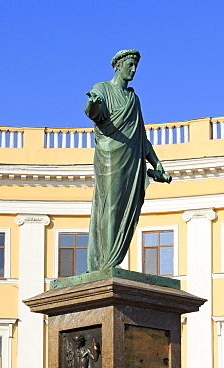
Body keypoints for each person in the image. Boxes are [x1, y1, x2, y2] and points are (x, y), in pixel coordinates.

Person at [84, 49, 171, 272]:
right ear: (118, 66)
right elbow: (95, 112)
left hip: (132, 160)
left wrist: (156, 162)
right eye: (129, 65)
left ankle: (112, 260)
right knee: (111, 206)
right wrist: (93, 105)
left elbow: (141, 136)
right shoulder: (101, 88)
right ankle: (106, 262)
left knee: (127, 209)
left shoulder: (133, 99)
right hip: (110, 158)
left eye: (135, 66)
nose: (133, 70)